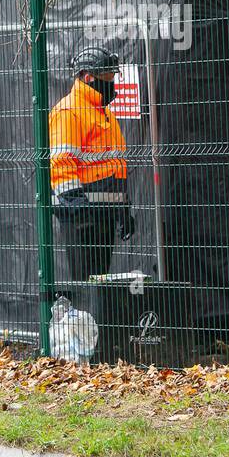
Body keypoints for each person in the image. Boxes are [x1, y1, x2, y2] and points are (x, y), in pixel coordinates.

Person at [50, 45, 135, 282]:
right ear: (88, 77)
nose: (112, 82)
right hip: (82, 218)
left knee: (100, 284)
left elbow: (112, 166)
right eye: (107, 76)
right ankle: (87, 320)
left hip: (101, 214)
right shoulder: (69, 111)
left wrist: (121, 208)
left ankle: (97, 321)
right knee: (89, 285)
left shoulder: (101, 112)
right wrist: (79, 209)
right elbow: (61, 163)